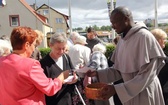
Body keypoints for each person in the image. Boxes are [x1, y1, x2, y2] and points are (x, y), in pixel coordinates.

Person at [87, 6, 166, 105]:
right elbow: (119, 69)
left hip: (145, 93)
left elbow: (147, 75)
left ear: (126, 19)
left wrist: (117, 89)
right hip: (129, 95)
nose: (112, 26)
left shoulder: (144, 36)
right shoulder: (122, 40)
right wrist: (97, 73)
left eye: (114, 22)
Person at [0, 26, 77, 105]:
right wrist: (62, 77)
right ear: (27, 45)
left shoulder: (2, 61)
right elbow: (50, 88)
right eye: (34, 45)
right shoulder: (30, 65)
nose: (34, 49)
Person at [40, 32, 78, 105]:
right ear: (50, 45)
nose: (61, 52)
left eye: (63, 48)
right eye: (58, 49)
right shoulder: (43, 64)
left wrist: (75, 78)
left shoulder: (66, 57)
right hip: (52, 102)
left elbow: (73, 72)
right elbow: (44, 87)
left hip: (67, 100)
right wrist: (61, 80)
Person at [151, 28, 168, 104]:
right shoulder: (163, 58)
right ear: (159, 40)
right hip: (163, 95)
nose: (164, 41)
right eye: (164, 39)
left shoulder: (147, 56)